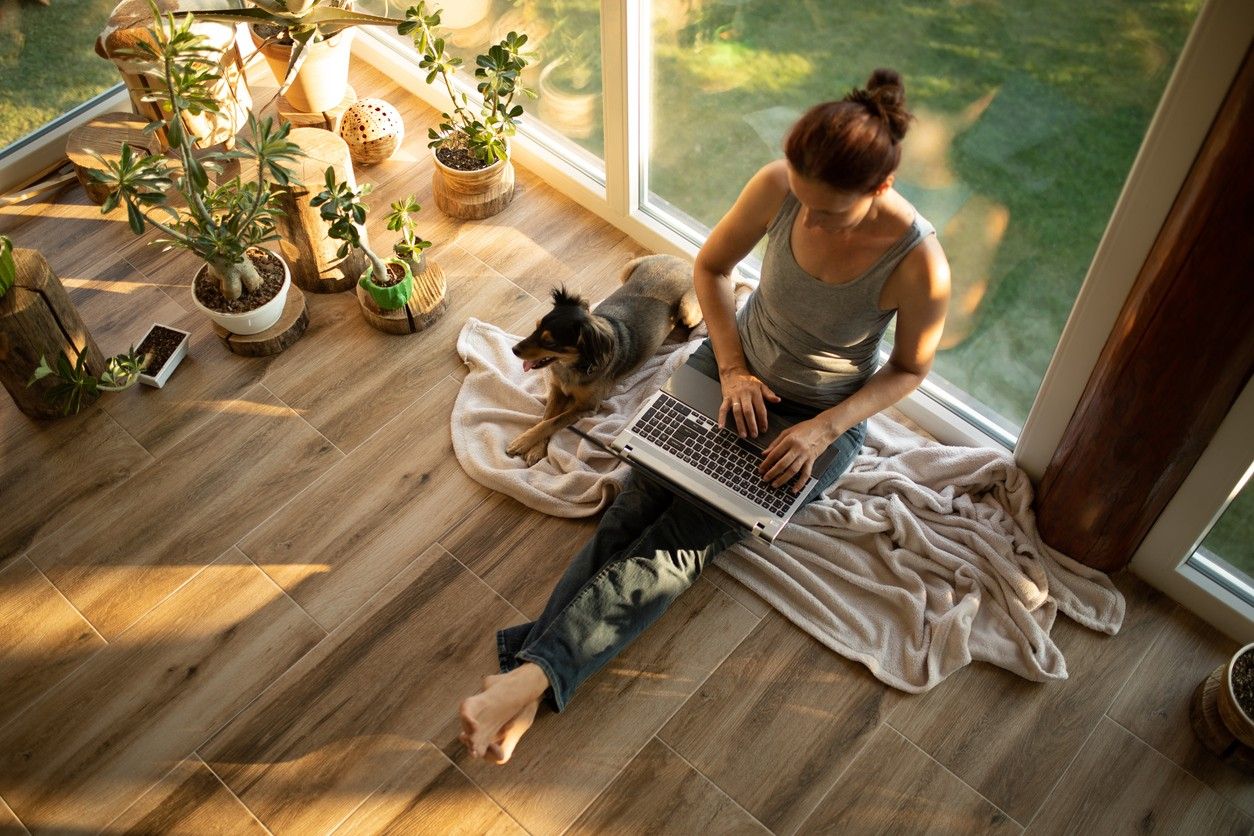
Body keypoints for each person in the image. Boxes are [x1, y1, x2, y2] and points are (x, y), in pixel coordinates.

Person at [458, 68, 951, 763]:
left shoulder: (920, 263)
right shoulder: (778, 184)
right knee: (631, 513)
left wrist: (822, 428)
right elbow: (712, 271)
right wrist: (731, 369)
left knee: (675, 548)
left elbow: (909, 370)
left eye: (828, 213)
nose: (807, 219)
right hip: (728, 378)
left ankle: (527, 677)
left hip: (815, 423)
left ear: (881, 189)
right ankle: (533, 686)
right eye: (802, 200)